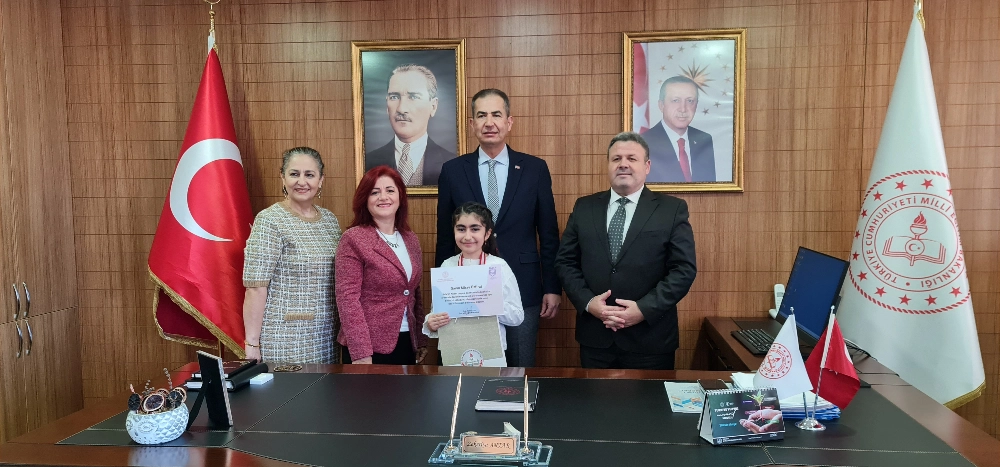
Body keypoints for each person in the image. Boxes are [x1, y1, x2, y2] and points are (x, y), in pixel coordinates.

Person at [435, 88, 561, 368]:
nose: (489, 122)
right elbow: (445, 236)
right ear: (472, 124)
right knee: (472, 368)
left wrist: (552, 287)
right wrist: (441, 293)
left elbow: (549, 234)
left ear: (509, 121)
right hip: (467, 292)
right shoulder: (453, 170)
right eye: (481, 115)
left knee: (520, 367)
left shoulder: (534, 169)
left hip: (524, 286)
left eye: (496, 115)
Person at [555, 132, 697, 370]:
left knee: (649, 397)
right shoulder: (584, 207)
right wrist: (589, 303)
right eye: (616, 158)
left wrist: (643, 309)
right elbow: (565, 262)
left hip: (650, 339)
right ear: (608, 165)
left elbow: (683, 270)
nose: (623, 164)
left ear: (647, 166)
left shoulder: (671, 209)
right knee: (593, 396)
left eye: (632, 158)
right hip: (596, 338)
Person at [242, 147, 342, 364]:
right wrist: (252, 343)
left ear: (321, 180)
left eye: (309, 175)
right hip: (285, 338)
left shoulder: (330, 221)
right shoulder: (270, 220)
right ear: (283, 177)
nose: (301, 182)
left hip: (327, 337)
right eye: (294, 174)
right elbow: (255, 286)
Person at [336, 165, 428, 364]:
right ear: (365, 199)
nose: (383, 197)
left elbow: (414, 292)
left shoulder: (410, 239)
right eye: (374, 192)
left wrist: (420, 339)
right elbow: (347, 299)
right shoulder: (353, 239)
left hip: (407, 341)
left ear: (400, 196)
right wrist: (360, 352)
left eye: (390, 190)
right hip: (369, 346)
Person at [423, 202, 524, 366]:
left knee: (488, 383)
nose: (467, 236)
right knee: (453, 384)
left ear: (487, 233)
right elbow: (436, 312)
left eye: (475, 229)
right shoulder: (447, 266)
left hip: (491, 351)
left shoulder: (499, 267)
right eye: (461, 229)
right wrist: (431, 323)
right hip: (453, 349)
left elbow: (517, 316)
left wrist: (490, 303)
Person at [365, 64, 456, 186]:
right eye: (394, 97)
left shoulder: (452, 163)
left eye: (413, 97)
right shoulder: (367, 162)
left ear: (433, 106)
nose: (401, 109)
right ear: (387, 105)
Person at [642, 76, 716, 183]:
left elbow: (710, 187)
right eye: (675, 100)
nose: (683, 109)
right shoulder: (644, 143)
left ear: (696, 105)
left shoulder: (704, 140)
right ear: (661, 105)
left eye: (690, 101)